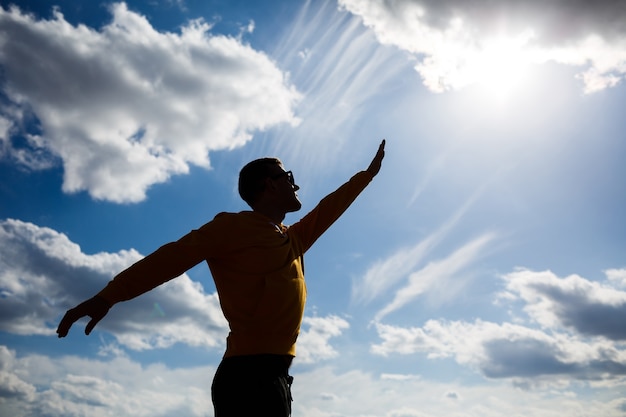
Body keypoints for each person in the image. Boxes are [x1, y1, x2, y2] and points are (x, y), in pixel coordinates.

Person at [57, 139, 386, 416]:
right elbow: (170, 258)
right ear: (270, 184)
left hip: (277, 378)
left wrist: (367, 176)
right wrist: (107, 296)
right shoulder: (232, 227)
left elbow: (328, 210)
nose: (294, 183)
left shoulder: (292, 239)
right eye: (287, 176)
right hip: (247, 379)